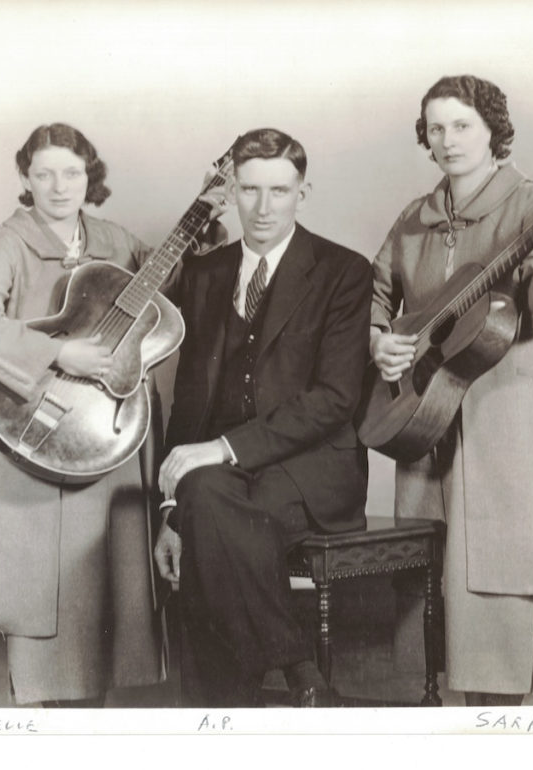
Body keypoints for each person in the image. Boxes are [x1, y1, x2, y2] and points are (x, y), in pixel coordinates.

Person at [0, 122, 224, 707]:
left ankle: (91, 723)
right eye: (44, 173)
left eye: (71, 172)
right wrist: (58, 350)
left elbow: (170, 282)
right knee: (42, 590)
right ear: (25, 178)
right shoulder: (8, 241)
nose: (58, 186)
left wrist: (204, 215)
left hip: (107, 431)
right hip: (40, 422)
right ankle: (47, 720)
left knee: (108, 582)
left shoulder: (111, 238)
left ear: (89, 177)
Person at [369, 75, 533, 706]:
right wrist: (378, 339)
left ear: (493, 129)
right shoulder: (415, 217)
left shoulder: (530, 202)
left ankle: (500, 721)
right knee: (427, 571)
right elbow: (378, 294)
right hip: (425, 411)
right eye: (435, 128)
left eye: (462, 124)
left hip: (504, 414)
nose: (448, 140)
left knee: (502, 567)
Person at [152, 128, 373, 708]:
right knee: (201, 506)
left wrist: (221, 452)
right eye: (249, 190)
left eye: (280, 190)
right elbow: (189, 402)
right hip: (222, 477)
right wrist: (170, 509)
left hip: (310, 469)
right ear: (232, 192)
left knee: (212, 523)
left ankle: (221, 714)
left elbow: (333, 400)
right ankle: (300, 673)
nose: (264, 206)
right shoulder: (205, 274)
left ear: (304, 191)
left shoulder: (343, 271)